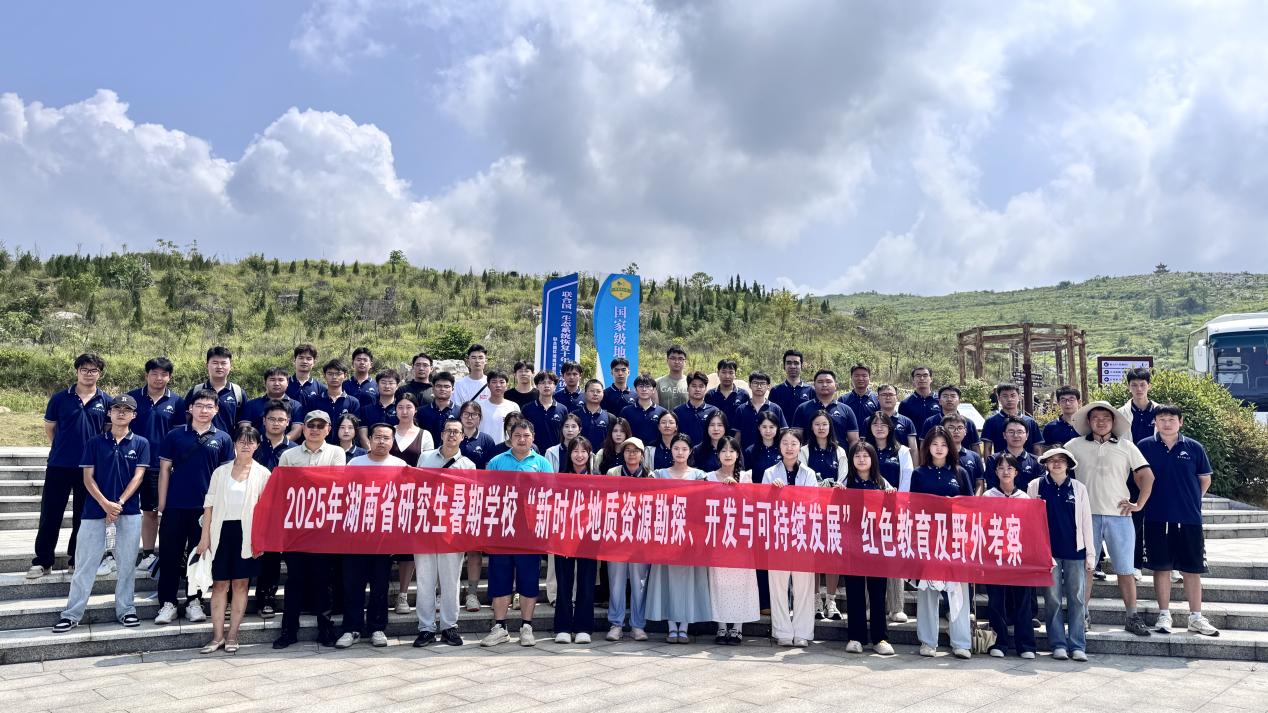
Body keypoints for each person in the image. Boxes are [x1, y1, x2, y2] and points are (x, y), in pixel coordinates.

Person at [51, 396, 148, 633]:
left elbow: (138, 477)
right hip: (94, 512)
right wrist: (105, 504)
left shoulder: (141, 443)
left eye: (127, 409)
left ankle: (126, 610)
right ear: (109, 413)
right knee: (85, 565)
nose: (121, 413)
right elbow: (88, 478)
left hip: (128, 512)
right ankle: (72, 614)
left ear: (134, 415)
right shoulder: (94, 442)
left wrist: (119, 503)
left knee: (126, 565)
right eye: (117, 408)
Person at [1063, 400, 1155, 637]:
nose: (1101, 422)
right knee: (1086, 569)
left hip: (1120, 515)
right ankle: (1081, 616)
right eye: (1095, 418)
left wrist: (1139, 504)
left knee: (1125, 569)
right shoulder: (1074, 446)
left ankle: (1132, 616)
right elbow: (1058, 472)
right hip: (1086, 516)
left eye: (1106, 418)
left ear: (1113, 422)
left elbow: (1147, 475)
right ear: (1088, 421)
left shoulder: (1126, 446)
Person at [1136, 405, 1219, 636]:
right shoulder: (1145, 446)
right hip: (1156, 517)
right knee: (1161, 568)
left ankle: (1196, 617)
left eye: (1171, 419)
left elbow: (1204, 480)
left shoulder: (1194, 447)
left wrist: (1189, 499)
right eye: (1161, 419)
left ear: (1180, 422)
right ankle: (1164, 615)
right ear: (1155, 422)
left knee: (1192, 569)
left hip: (1189, 518)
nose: (1166, 423)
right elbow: (1138, 477)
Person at [155, 389, 234, 625]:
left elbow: (225, 477)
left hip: (206, 509)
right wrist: (162, 504)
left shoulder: (223, 438)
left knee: (198, 555)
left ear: (216, 410)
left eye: (209, 406)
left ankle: (194, 601)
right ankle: (167, 603)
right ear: (190, 408)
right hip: (175, 505)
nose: (203, 410)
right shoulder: (175, 435)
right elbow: (164, 471)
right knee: (169, 555)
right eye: (199, 405)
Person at [34, 352, 113, 579]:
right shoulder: (60, 398)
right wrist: (63, 447)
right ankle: (43, 561)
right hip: (59, 465)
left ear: (100, 374)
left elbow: (106, 433)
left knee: (83, 516)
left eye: (93, 370)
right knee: (50, 514)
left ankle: (75, 559)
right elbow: (51, 429)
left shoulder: (107, 401)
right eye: (84, 370)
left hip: (89, 469)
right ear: (77, 371)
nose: (88, 374)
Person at [195, 424, 271, 654]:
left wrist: (260, 541)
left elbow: (266, 511)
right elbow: (209, 505)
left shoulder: (263, 474)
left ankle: (232, 636)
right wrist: (204, 538)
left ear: (257, 445)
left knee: (240, 584)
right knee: (219, 584)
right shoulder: (220, 472)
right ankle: (217, 636)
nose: (245, 445)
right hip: (221, 531)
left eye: (250, 441)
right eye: (241, 441)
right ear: (235, 444)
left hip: (247, 534)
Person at [273, 411, 346, 649]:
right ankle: (288, 631)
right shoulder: (289, 455)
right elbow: (283, 488)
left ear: (328, 429)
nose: (315, 429)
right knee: (295, 580)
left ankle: (325, 629)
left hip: (324, 527)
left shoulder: (336, 453)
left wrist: (304, 479)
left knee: (323, 580)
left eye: (320, 426)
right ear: (303, 428)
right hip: (295, 526)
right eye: (310, 425)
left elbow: (336, 484)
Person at [337, 424, 408, 649]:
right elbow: (344, 496)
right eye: (377, 437)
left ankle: (377, 628)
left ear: (392, 441)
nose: (381, 442)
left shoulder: (400, 466)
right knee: (353, 585)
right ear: (369, 439)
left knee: (380, 585)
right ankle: (352, 628)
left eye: (386, 438)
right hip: (356, 535)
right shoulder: (355, 463)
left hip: (384, 536)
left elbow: (405, 500)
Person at [481, 421, 551, 647]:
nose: (522, 439)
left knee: (528, 579)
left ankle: (526, 627)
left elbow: (550, 495)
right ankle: (500, 627)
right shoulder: (496, 461)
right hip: (502, 529)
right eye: (517, 435)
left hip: (529, 531)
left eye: (526, 435)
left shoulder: (542, 463)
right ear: (509, 437)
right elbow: (486, 493)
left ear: (533, 437)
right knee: (500, 578)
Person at [907, 426, 973, 659]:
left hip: (955, 538)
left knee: (958, 590)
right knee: (928, 591)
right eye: (934, 444)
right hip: (928, 538)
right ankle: (928, 641)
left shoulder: (960, 472)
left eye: (943, 445)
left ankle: (961, 642)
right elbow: (913, 506)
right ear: (927, 447)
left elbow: (970, 506)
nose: (939, 448)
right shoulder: (919, 474)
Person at [1028, 448, 1094, 662]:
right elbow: (1030, 520)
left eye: (1061, 460)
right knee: (1053, 599)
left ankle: (1077, 645)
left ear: (1068, 464)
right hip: (1048, 553)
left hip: (1075, 551)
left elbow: (1086, 522)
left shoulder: (1078, 488)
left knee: (1077, 599)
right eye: (1052, 460)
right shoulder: (1036, 486)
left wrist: (1091, 554)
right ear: (1046, 464)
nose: (1056, 464)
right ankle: (1057, 644)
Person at [645, 434, 712, 642]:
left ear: (690, 451)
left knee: (687, 581)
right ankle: (671, 625)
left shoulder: (699, 475)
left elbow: (705, 503)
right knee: (667, 580)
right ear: (671, 450)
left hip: (690, 535)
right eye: (676, 448)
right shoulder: (659, 474)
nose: (680, 452)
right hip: (666, 534)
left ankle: (684, 625)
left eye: (684, 449)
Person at [413, 419, 474, 647]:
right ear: (441, 434)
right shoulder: (425, 458)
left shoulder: (468, 465)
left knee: (451, 581)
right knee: (425, 580)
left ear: (462, 437)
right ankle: (426, 628)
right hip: (426, 527)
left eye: (456, 432)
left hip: (452, 530)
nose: (452, 435)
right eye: (448, 431)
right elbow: (416, 489)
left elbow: (470, 500)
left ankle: (449, 626)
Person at [835, 441, 895, 655]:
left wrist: (892, 496)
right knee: (854, 591)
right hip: (853, 546)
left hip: (877, 545)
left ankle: (880, 638)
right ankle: (855, 637)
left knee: (878, 592)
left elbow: (892, 511)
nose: (861, 459)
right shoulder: (845, 482)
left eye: (866, 456)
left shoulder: (882, 482)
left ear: (873, 459)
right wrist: (838, 493)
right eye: (857, 456)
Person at [127, 357, 183, 575]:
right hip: (130, 463)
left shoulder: (177, 402)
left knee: (154, 511)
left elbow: (178, 436)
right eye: (154, 373)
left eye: (164, 374)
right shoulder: (131, 398)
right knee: (129, 511)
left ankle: (157, 553)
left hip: (159, 466)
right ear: (146, 375)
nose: (159, 378)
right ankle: (127, 553)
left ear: (169, 377)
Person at [764, 427, 820, 646]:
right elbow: (763, 504)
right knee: (778, 585)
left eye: (794, 444)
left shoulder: (809, 474)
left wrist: (789, 496)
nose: (789, 448)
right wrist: (773, 492)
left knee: (803, 586)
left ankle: (802, 633)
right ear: (779, 446)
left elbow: (812, 503)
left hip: (802, 535)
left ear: (800, 447)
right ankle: (782, 632)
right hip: (778, 534)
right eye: (785, 443)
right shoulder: (770, 473)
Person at [705, 436, 760, 645]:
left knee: (741, 582)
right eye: (723, 450)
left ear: (738, 454)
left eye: (732, 451)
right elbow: (704, 506)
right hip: (718, 537)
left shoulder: (746, 477)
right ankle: (721, 626)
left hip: (741, 538)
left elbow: (753, 506)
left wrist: (738, 489)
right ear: (717, 454)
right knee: (718, 582)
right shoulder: (709, 477)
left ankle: (737, 627)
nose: (727, 454)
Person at [982, 454, 1037, 659]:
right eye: (1001, 468)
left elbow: (1031, 528)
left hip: (1018, 556)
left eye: (1010, 468)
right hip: (995, 555)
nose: (1005, 472)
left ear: (1016, 472)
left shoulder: (1024, 498)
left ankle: (1026, 645)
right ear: (996, 472)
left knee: (1022, 601)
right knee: (996, 601)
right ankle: (999, 643)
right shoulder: (988, 496)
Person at [862, 411, 914, 626]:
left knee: (894, 557)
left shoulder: (902, 451)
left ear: (891, 428)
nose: (879, 427)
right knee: (869, 557)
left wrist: (898, 505)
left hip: (894, 510)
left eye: (883, 424)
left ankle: (896, 607)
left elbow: (907, 478)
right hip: (867, 512)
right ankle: (870, 606)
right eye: (875, 424)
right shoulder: (864, 450)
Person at [251, 400, 297, 619]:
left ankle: (277, 599)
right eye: (272, 419)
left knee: (282, 557)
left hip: (286, 510)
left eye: (281, 419)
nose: (276, 423)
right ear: (264, 421)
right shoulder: (253, 445)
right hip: (255, 506)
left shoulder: (295, 449)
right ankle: (259, 599)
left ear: (288, 422)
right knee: (261, 555)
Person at [800, 410, 847, 620]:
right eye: (817, 424)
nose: (821, 428)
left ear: (830, 427)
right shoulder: (804, 451)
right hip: (811, 510)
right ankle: (816, 599)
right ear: (811, 427)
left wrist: (836, 487)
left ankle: (831, 600)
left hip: (834, 510)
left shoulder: (839, 451)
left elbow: (844, 478)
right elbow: (802, 478)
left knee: (832, 555)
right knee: (813, 555)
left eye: (825, 424)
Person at [552, 436, 600, 644]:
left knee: (587, 581)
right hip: (564, 535)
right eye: (575, 451)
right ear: (569, 454)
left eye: (583, 451)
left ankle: (583, 627)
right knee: (564, 581)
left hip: (589, 536)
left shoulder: (598, 479)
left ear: (589, 454)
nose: (579, 455)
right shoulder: (559, 478)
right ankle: (563, 626)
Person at [604, 437, 651, 641]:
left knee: (640, 583)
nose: (631, 454)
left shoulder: (651, 476)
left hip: (641, 537)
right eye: (627, 450)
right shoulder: (612, 473)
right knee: (616, 582)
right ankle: (616, 623)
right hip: (617, 536)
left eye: (635, 450)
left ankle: (638, 625)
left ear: (642, 454)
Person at [1119, 368, 1160, 581]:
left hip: (1157, 473)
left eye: (1142, 384)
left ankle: (1166, 565)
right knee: (1134, 519)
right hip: (1131, 473)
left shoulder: (1161, 412)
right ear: (1129, 387)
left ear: (1149, 386)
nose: (1138, 389)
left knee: (1160, 519)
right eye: (1134, 385)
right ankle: (1135, 565)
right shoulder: (1121, 413)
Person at [181, 345, 247, 435]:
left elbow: (243, 425)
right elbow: (185, 420)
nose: (219, 367)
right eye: (215, 363)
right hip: (197, 442)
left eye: (223, 363)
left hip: (228, 442)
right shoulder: (196, 391)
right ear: (207, 365)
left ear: (230, 366)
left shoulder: (238, 393)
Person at [792, 369, 859, 447]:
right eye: (820, 382)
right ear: (814, 385)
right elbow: (795, 438)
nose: (824, 385)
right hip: (810, 454)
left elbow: (853, 440)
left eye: (828, 382)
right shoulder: (802, 409)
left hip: (839, 454)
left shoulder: (846, 410)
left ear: (836, 385)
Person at [981, 416, 1047, 494]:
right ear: (1004, 435)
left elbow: (1040, 490)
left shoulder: (1037, 462)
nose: (1015, 435)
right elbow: (992, 490)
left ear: (1027, 435)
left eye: (1020, 432)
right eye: (1011, 432)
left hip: (1029, 501)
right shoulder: (993, 460)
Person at [241, 367, 303, 441]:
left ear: (287, 383)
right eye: (272, 380)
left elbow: (297, 430)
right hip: (257, 446)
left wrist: (280, 443)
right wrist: (259, 443)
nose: (276, 383)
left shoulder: (296, 406)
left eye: (281, 380)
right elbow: (245, 428)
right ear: (265, 383)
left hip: (286, 447)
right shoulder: (251, 405)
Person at [981, 383, 1042, 455]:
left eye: (1013, 395)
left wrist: (1038, 462)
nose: (1009, 399)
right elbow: (987, 448)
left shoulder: (1030, 422)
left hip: (1027, 462)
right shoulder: (991, 422)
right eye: (1005, 396)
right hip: (1001, 461)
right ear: (999, 398)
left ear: (1019, 397)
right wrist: (989, 462)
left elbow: (1037, 448)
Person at [309, 360, 361, 444]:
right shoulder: (314, 400)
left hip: (344, 447)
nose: (334, 377)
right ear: (324, 376)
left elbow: (355, 428)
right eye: (330, 374)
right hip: (320, 446)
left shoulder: (353, 402)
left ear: (345, 376)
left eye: (338, 374)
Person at [733, 370, 786, 448]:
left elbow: (782, 433)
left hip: (770, 453)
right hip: (746, 453)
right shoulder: (741, 409)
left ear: (768, 386)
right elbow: (738, 436)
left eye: (763, 383)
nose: (759, 386)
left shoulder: (776, 409)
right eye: (755, 383)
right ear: (749, 385)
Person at [522, 370, 569, 455]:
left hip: (556, 455)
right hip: (532, 454)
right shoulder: (527, 409)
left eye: (550, 383)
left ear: (555, 386)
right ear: (537, 386)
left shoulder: (562, 409)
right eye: (543, 383)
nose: (546, 386)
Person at [941, 413, 986, 495]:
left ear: (965, 431)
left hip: (969, 501)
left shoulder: (974, 457)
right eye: (951, 427)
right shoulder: (938, 456)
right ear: (943, 430)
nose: (956, 431)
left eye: (960, 428)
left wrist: (974, 500)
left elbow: (979, 483)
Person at [673, 371, 719, 446]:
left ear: (705, 389)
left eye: (701, 386)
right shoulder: (677, 411)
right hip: (684, 451)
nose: (697, 389)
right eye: (694, 386)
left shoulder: (714, 411)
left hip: (706, 451)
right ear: (688, 388)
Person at [359, 368, 401, 447]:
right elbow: (363, 436)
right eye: (383, 382)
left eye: (391, 383)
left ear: (397, 386)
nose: (387, 386)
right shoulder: (366, 410)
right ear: (377, 385)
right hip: (371, 451)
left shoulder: (401, 409)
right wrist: (372, 451)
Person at [620, 374, 667, 445]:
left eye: (648, 386)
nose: (644, 389)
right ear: (635, 389)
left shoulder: (662, 412)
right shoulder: (626, 411)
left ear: (653, 390)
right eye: (641, 386)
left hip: (655, 449)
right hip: (632, 449)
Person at [875, 384, 918, 460]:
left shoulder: (907, 422)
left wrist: (915, 467)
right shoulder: (870, 421)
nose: (888, 398)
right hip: (876, 463)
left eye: (891, 394)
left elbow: (913, 450)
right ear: (878, 398)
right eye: (884, 395)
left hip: (902, 463)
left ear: (896, 397)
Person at [417, 371, 460, 444]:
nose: (442, 389)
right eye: (439, 386)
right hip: (427, 450)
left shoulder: (459, 412)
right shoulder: (421, 411)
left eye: (446, 386)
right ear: (433, 388)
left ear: (452, 389)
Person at [705, 359, 750, 427]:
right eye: (724, 372)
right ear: (718, 373)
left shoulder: (743, 395)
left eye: (731, 373)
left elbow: (746, 418)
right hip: (716, 432)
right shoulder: (710, 395)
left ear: (735, 374)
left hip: (737, 433)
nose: (727, 376)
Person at [478, 369, 519, 442]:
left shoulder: (513, 407)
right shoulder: (479, 406)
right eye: (494, 382)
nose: (498, 385)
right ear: (488, 385)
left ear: (507, 385)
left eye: (502, 382)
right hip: (484, 447)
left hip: (506, 447)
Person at [770, 349, 813, 416]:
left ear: (801, 366)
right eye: (789, 363)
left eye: (796, 363)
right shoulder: (775, 391)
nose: (792, 366)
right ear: (784, 366)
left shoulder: (810, 390)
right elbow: (771, 415)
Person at [574, 379, 613, 447]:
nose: (595, 394)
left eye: (598, 391)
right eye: (592, 391)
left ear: (603, 394)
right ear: (585, 393)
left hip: (603, 453)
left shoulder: (610, 418)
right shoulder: (575, 415)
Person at [457, 400, 497, 468]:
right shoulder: (453, 436)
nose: (469, 418)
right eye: (466, 414)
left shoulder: (487, 440)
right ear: (460, 416)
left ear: (479, 418)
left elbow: (490, 466)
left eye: (474, 414)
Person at [898, 366, 939, 431]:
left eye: (925, 375)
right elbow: (902, 428)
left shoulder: (940, 401)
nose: (922, 378)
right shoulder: (905, 404)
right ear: (913, 380)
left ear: (931, 379)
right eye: (918, 375)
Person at [839, 363, 879, 428]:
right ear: (851, 377)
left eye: (864, 376)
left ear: (869, 378)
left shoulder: (877, 399)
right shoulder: (843, 400)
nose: (860, 378)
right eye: (856, 375)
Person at [1043, 385, 1082, 450]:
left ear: (1079, 402)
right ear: (1058, 403)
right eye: (1063, 400)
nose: (1067, 403)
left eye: (1071, 400)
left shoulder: (1087, 424)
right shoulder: (1050, 428)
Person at [656, 346, 690, 410]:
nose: (676, 362)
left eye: (680, 359)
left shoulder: (690, 383)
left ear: (685, 361)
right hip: (664, 416)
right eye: (673, 358)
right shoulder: (658, 383)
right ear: (667, 360)